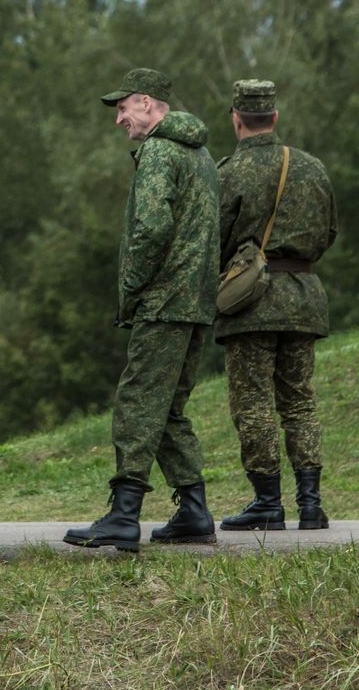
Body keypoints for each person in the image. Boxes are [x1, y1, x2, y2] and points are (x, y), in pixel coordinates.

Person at [66, 68, 220, 551]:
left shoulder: (158, 151)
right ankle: (194, 512)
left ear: (148, 104)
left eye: (123, 108)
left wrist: (131, 289)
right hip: (197, 302)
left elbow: (151, 229)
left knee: (136, 403)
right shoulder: (202, 155)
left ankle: (123, 514)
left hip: (165, 300)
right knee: (169, 408)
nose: (119, 120)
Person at [215, 79, 339, 531]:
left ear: (236, 117)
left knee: (253, 403)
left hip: (251, 305)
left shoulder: (228, 172)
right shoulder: (312, 168)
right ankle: (311, 504)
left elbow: (216, 239)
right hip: (304, 298)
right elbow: (327, 233)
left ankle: (267, 502)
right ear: (275, 117)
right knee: (300, 402)